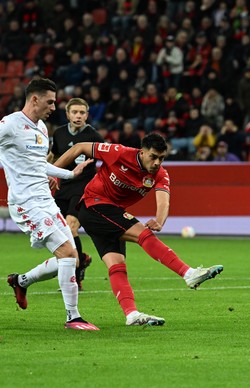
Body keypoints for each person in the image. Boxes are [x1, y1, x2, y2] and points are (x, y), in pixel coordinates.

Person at [30, 134, 223, 326]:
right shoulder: (119, 152)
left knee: (117, 264)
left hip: (109, 215)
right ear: (142, 152)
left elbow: (164, 199)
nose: (157, 162)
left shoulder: (160, 174)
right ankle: (188, 273)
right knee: (142, 233)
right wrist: (55, 173)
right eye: (153, 156)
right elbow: (80, 146)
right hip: (93, 205)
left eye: (162, 158)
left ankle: (131, 314)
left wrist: (160, 220)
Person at [1, 78, 98, 330]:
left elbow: (38, 164)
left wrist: (69, 174)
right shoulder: (10, 125)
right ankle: (73, 317)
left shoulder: (42, 128)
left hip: (45, 199)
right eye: (50, 101)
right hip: (26, 202)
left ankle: (20, 281)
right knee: (66, 253)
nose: (54, 107)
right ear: (34, 99)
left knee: (73, 259)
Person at [47, 98, 104, 290]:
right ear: (68, 114)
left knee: (71, 227)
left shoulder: (94, 136)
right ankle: (82, 257)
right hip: (64, 187)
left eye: (82, 113)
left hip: (84, 187)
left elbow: (108, 160)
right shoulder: (59, 133)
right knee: (58, 231)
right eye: (75, 112)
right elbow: (53, 155)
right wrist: (47, 173)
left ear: (87, 115)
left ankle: (76, 277)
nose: (78, 116)